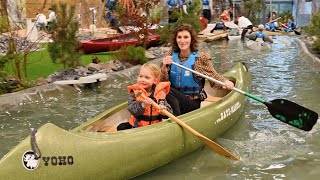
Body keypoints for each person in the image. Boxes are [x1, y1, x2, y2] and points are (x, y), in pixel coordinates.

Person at [160, 24, 234, 116]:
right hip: (175, 101)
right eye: (179, 37)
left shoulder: (200, 58)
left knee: (168, 90)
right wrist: (163, 66)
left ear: (191, 39)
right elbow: (161, 80)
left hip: (192, 102)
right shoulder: (171, 54)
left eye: (186, 37)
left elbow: (213, 76)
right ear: (176, 39)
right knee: (163, 88)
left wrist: (225, 82)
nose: (182, 40)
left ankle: (175, 119)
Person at [117, 63, 173, 130]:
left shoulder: (160, 93)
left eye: (147, 77)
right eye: (140, 76)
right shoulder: (135, 92)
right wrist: (143, 105)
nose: (142, 80)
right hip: (138, 127)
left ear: (155, 80)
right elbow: (131, 109)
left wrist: (163, 111)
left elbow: (169, 112)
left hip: (156, 127)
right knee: (121, 127)